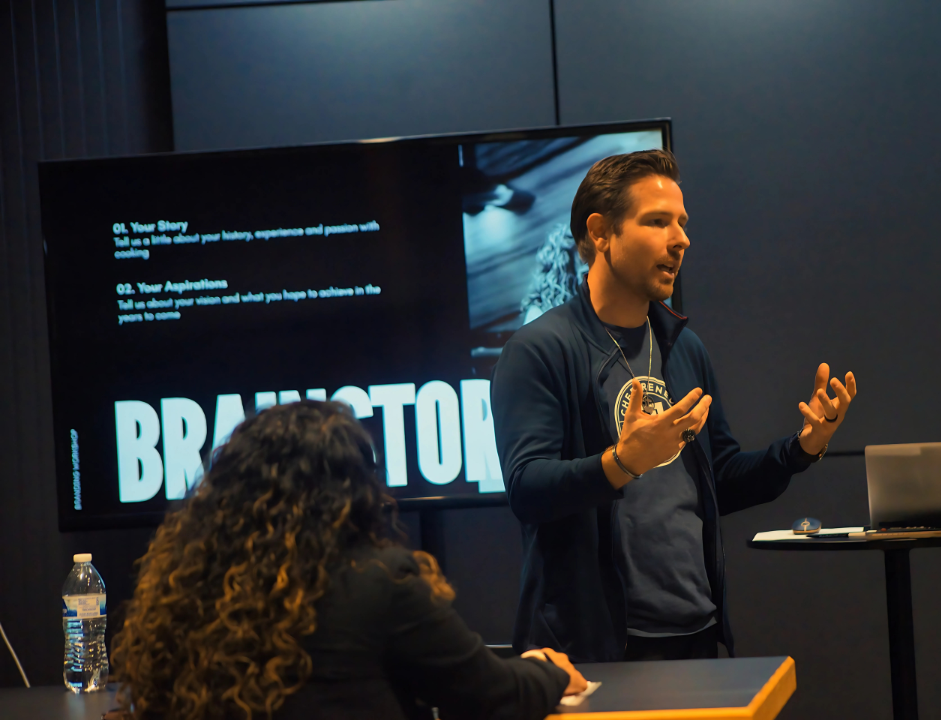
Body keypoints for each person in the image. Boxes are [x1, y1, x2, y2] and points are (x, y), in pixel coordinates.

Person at [491, 149, 857, 663]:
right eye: (658, 221)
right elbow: (528, 490)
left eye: (681, 223)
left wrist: (802, 448)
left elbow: (721, 479)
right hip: (597, 650)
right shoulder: (538, 350)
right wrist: (623, 463)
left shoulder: (684, 348)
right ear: (601, 233)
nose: (681, 239)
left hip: (695, 631)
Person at [109, 401, 586, 720]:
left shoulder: (188, 589)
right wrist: (549, 669)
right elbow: (491, 695)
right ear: (353, 491)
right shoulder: (380, 583)